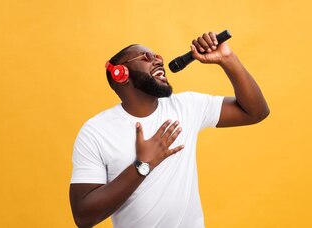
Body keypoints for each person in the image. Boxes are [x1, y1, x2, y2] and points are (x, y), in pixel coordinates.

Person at [69, 31, 270, 228]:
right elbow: (83, 216)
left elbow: (256, 112)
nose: (158, 60)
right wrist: (142, 165)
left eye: (157, 55)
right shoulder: (95, 132)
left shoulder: (187, 106)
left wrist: (228, 59)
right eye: (146, 57)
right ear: (121, 74)